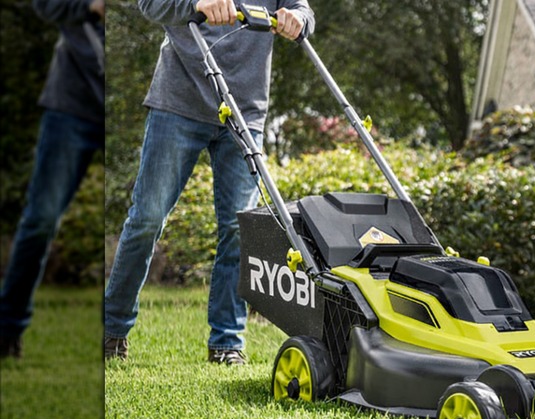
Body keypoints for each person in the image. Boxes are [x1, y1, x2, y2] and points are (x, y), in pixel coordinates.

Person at [103, 0, 314, 365]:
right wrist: (196, 4)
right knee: (147, 219)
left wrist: (299, 20)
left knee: (239, 228)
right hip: (179, 102)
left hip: (246, 109)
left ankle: (227, 342)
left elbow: (302, 9)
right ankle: (112, 329)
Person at [0, 0, 105, 359]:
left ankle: (116, 335)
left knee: (143, 213)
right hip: (71, 106)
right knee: (41, 219)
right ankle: (7, 330)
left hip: (127, 100)